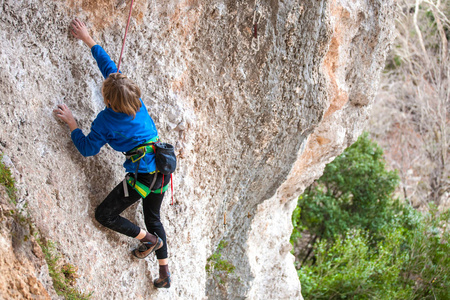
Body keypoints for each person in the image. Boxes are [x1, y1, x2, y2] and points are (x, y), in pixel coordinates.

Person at [54, 18, 171, 289]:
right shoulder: (136, 101)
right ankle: (164, 273)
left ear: (108, 100)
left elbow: (87, 149)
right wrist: (88, 39)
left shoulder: (105, 120)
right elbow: (110, 69)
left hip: (142, 176)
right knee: (154, 217)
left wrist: (72, 123)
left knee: (104, 215)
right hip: (163, 169)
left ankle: (149, 240)